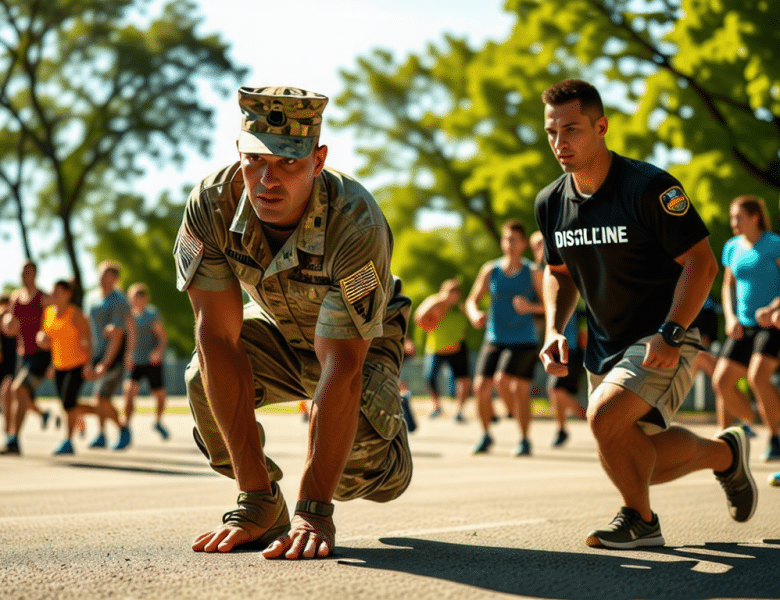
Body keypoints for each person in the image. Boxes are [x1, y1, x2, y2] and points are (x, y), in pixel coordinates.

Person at [173, 86, 413, 560]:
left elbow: (341, 366)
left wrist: (313, 509)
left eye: (289, 163)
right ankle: (264, 502)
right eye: (257, 159)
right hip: (281, 329)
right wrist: (253, 496)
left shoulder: (356, 221)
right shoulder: (211, 206)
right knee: (202, 377)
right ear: (239, 151)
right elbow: (217, 337)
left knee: (355, 476)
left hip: (357, 343)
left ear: (318, 160)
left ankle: (389, 456)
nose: (268, 179)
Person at [535, 79, 756, 549]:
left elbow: (702, 262)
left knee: (604, 420)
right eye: (552, 132)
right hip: (604, 344)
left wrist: (672, 332)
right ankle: (725, 455)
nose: (560, 143)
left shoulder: (649, 188)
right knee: (629, 449)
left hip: (665, 333)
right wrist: (555, 327)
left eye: (571, 130)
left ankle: (641, 521)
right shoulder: (551, 202)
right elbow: (559, 273)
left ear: (601, 127)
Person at [465, 219, 545, 456]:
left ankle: (523, 438)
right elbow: (471, 300)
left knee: (511, 385)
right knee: (480, 387)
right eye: (505, 239)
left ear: (522, 244)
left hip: (523, 339)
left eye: (514, 240)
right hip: (495, 337)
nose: (508, 244)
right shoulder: (491, 270)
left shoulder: (532, 272)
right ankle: (486, 435)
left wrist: (530, 307)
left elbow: (549, 306)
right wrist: (474, 314)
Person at [712, 195, 780, 461]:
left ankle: (775, 438)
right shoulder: (732, 247)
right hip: (742, 325)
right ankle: (752, 420)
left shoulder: (774, 244)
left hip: (771, 324)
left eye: (738, 217)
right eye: (732, 217)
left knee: (757, 378)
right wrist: (730, 317)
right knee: (721, 382)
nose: (733, 223)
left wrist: (773, 308)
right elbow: (728, 285)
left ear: (754, 217)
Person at [529, 231, 586, 447]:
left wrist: (529, 308)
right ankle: (577, 420)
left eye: (543, 245)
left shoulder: (563, 273)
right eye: (536, 246)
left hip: (568, 344)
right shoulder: (535, 275)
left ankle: (582, 417)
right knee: (556, 390)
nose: (540, 250)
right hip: (549, 345)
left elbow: (553, 306)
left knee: (555, 389)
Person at [37, 280, 99, 455]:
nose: (54, 295)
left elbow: (88, 339)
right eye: (53, 291)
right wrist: (41, 339)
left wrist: (88, 364)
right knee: (67, 405)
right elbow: (48, 337)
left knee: (68, 402)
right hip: (58, 365)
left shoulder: (75, 313)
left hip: (77, 364)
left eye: (58, 292)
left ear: (67, 294)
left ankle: (68, 441)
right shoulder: (48, 313)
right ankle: (102, 412)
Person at [1, 261, 52, 455]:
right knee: (8, 392)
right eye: (23, 272)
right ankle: (10, 436)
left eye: (29, 272)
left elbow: (54, 325)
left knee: (18, 389)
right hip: (22, 355)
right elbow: (11, 323)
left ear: (36, 274)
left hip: (40, 354)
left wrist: (53, 361)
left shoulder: (44, 298)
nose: (25, 275)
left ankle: (14, 439)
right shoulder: (15, 297)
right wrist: (7, 323)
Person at [84, 261, 133, 450]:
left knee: (101, 398)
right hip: (94, 354)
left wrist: (105, 363)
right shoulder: (91, 299)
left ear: (115, 278)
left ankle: (123, 428)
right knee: (97, 398)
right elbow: (87, 330)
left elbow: (118, 335)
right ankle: (101, 434)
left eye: (107, 274)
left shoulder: (119, 301)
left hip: (113, 355)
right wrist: (88, 360)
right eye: (101, 273)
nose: (103, 277)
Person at [414, 278, 471, 422]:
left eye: (455, 293)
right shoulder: (434, 304)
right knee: (429, 377)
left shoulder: (460, 307)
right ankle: (436, 406)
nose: (452, 296)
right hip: (435, 348)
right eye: (449, 292)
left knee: (463, 379)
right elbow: (418, 317)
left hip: (457, 347)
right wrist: (437, 300)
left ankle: (459, 411)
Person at [122, 283, 170, 440]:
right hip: (135, 361)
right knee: (128, 392)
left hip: (151, 361)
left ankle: (157, 421)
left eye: (141, 296)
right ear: (130, 298)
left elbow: (163, 337)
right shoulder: (128, 315)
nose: (138, 299)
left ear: (146, 298)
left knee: (160, 395)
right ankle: (125, 426)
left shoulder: (152, 314)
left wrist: (158, 352)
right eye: (135, 296)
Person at [1, 294, 19, 448]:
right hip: (3, 363)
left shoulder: (16, 319)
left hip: (14, 364)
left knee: (7, 392)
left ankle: (10, 434)